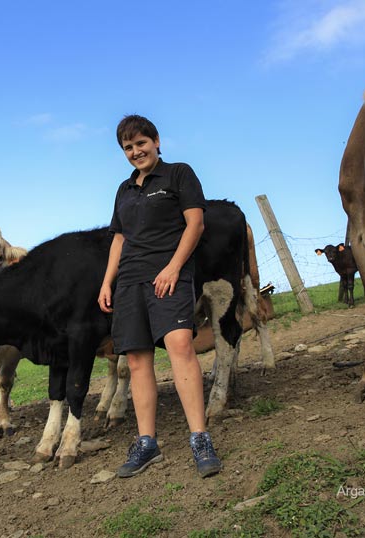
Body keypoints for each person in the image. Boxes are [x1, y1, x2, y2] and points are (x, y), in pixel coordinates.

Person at [98, 115, 222, 478]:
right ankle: (147, 443)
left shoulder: (179, 174)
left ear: (156, 141)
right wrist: (107, 282)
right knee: (136, 360)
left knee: (180, 344)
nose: (136, 152)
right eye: (128, 147)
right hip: (130, 281)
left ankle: (200, 437)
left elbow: (195, 223)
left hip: (169, 274)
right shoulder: (124, 190)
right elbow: (119, 239)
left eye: (141, 143)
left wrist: (173, 268)